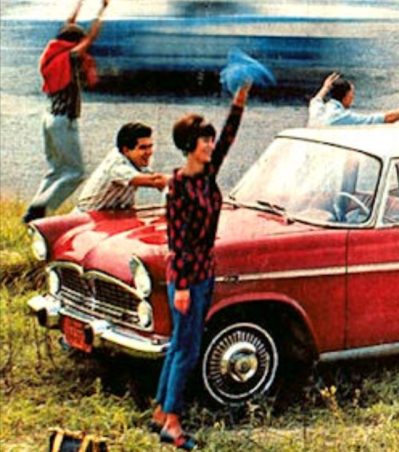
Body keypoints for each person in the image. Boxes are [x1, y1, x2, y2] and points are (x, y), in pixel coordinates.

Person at [150, 84, 250, 450]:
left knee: (180, 344)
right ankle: (173, 423)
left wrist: (239, 102)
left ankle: (161, 412)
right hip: (187, 278)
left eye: (209, 140)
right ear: (189, 146)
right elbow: (176, 241)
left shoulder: (208, 175)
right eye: (204, 141)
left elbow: (228, 139)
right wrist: (180, 287)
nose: (210, 145)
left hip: (205, 273)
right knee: (187, 350)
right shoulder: (178, 186)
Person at [23, 0, 110, 223]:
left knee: (56, 171)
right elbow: (90, 38)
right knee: (75, 173)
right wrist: (103, 10)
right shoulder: (70, 58)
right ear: (73, 43)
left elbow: (68, 24)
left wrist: (80, 3)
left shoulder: (53, 52)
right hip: (64, 122)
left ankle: (35, 210)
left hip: (49, 119)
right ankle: (41, 209)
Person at [76, 122, 169, 211]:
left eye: (150, 146)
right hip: (88, 216)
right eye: (143, 148)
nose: (149, 152)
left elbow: (157, 179)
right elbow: (155, 181)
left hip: (115, 214)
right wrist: (176, 180)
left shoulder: (136, 160)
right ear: (126, 150)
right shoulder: (117, 166)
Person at [307, 72, 399, 126]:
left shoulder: (318, 111)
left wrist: (325, 87)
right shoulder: (342, 117)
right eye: (352, 94)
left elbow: (316, 100)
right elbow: (386, 118)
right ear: (346, 96)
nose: (353, 98)